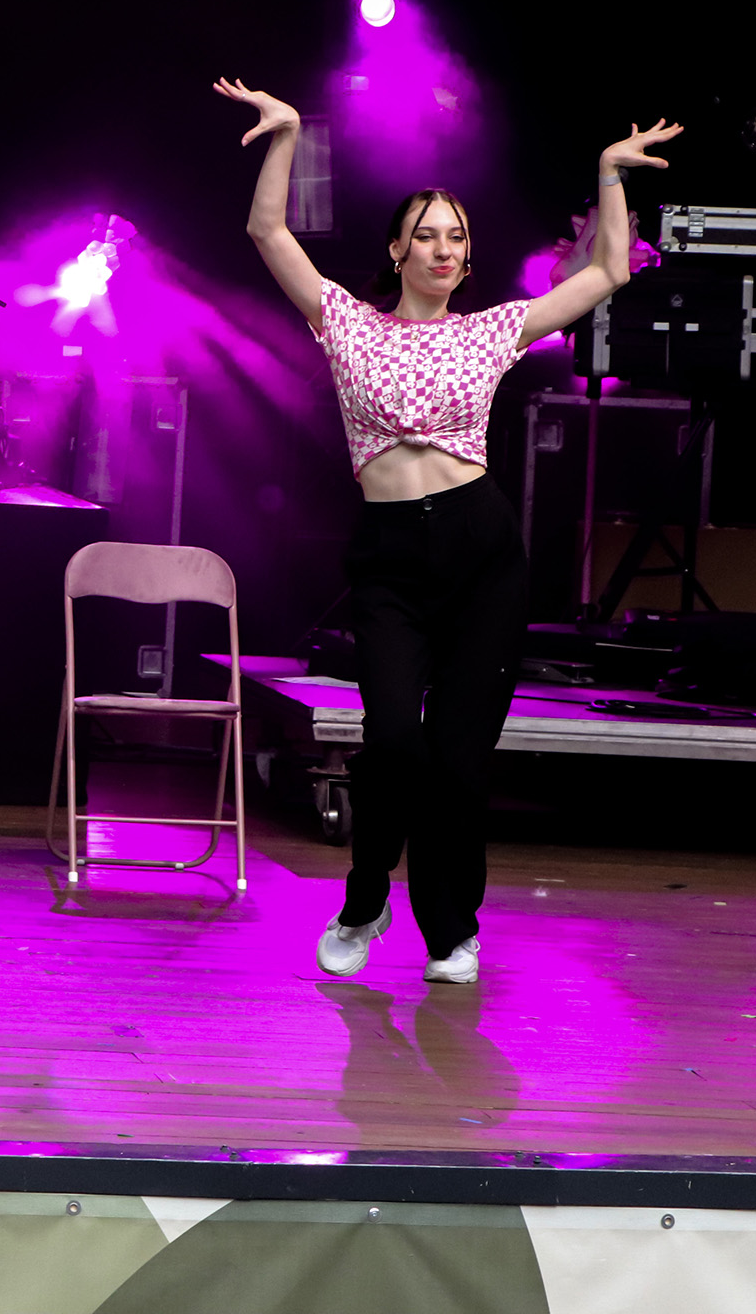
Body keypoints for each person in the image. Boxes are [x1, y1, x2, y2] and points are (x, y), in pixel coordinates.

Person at [214, 76, 680, 984]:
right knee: (392, 739)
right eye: (425, 234)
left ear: (467, 260)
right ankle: (365, 900)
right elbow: (268, 232)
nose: (441, 247)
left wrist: (609, 173)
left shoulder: (493, 330)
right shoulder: (348, 324)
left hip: (481, 554)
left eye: (456, 237)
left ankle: (452, 930)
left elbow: (609, 273)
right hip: (392, 558)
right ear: (397, 249)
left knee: (461, 763)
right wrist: (289, 134)